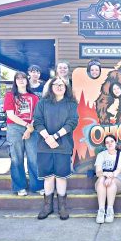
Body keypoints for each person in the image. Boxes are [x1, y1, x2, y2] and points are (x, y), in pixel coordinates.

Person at [33, 78, 79, 220]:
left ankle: (62, 207)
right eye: (56, 85)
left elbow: (72, 122)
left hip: (63, 145)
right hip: (44, 146)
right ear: (51, 87)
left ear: (66, 88)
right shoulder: (42, 103)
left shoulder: (71, 104)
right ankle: (47, 206)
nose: (59, 87)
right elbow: (38, 122)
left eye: (62, 85)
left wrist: (56, 136)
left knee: (61, 177)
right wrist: (48, 137)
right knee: (48, 177)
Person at [3, 71, 43, 196]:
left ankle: (36, 186)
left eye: (23, 78)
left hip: (32, 128)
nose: (21, 80)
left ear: (27, 80)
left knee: (34, 158)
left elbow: (37, 115)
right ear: (15, 81)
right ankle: (20, 187)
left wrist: (30, 128)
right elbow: (10, 115)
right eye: (18, 78)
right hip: (15, 128)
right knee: (16, 158)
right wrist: (27, 126)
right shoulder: (10, 95)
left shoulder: (34, 97)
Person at [94, 134, 121, 224]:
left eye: (112, 141)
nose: (110, 144)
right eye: (107, 142)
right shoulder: (101, 155)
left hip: (117, 183)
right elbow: (98, 172)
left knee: (111, 183)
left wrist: (111, 177)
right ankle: (101, 211)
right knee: (101, 180)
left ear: (115, 142)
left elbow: (119, 169)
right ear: (105, 145)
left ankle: (110, 210)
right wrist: (105, 174)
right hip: (102, 182)